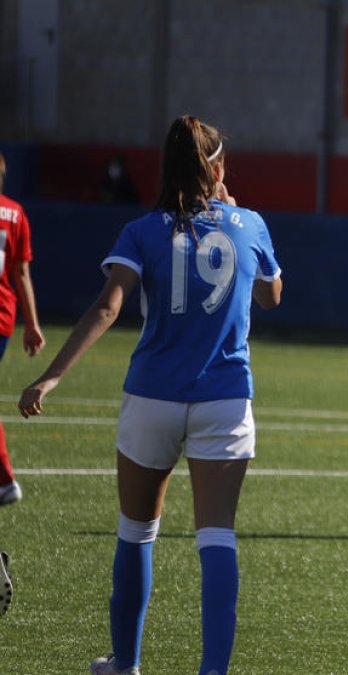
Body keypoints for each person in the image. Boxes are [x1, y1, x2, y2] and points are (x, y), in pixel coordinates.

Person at [17, 115, 283, 675]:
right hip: (226, 401)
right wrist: (234, 214)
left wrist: (53, 375)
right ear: (215, 168)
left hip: (153, 399)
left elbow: (109, 307)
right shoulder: (250, 223)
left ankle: (126, 663)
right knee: (216, 537)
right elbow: (272, 296)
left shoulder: (142, 229)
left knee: (137, 531)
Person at [0, 150, 46, 510]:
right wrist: (31, 323)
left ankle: (4, 478)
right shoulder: (15, 213)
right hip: (4, 315)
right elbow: (22, 274)